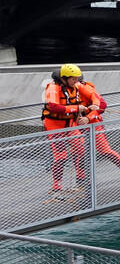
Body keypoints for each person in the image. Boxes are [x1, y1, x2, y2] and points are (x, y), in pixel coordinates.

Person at [76, 73, 120, 186]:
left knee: (104, 151)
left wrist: (88, 117)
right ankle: (80, 180)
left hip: (94, 124)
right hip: (79, 125)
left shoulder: (87, 89)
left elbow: (102, 105)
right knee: (79, 152)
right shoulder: (68, 91)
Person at [41, 64, 91, 193]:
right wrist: (75, 108)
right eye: (73, 79)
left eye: (77, 79)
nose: (76, 81)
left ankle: (81, 180)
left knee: (80, 148)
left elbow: (76, 103)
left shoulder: (73, 87)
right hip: (55, 127)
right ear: (64, 78)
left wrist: (81, 114)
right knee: (61, 157)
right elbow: (54, 107)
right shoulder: (53, 88)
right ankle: (56, 187)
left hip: (69, 125)